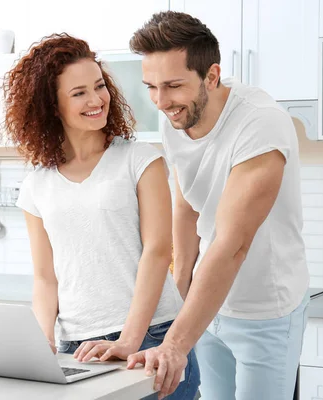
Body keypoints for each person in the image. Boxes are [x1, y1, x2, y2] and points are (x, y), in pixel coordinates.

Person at [0, 33, 200, 399]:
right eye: (79, 93)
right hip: (76, 346)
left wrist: (128, 339)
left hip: (152, 337)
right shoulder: (36, 184)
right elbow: (46, 278)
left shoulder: (140, 159)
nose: (97, 100)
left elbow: (158, 252)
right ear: (51, 105)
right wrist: (42, 338)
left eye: (99, 86)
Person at [126, 11, 310, 400]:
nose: (161, 101)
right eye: (152, 87)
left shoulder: (260, 123)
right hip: (209, 307)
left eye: (173, 85)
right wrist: (180, 290)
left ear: (211, 75)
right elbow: (187, 206)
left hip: (266, 309)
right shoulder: (174, 115)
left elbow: (232, 244)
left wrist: (174, 343)